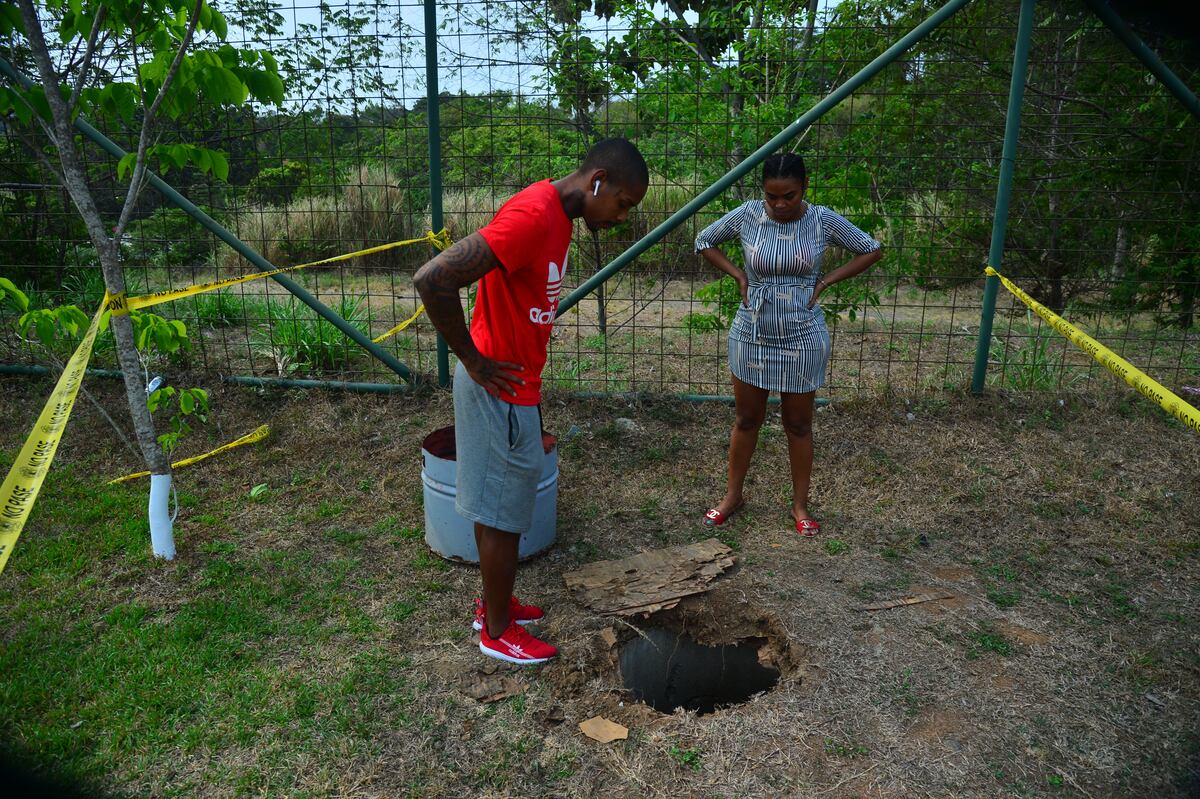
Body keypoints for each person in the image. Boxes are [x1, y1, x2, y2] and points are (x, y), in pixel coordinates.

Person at [414, 139, 649, 664]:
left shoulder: (561, 216)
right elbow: (433, 279)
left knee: (495, 505)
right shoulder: (534, 214)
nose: (621, 217)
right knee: (504, 515)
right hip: (497, 387)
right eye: (623, 203)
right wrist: (474, 360)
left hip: (515, 388)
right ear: (598, 181)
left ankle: (494, 604)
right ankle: (497, 633)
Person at [694, 152, 882, 537]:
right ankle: (732, 496)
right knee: (747, 419)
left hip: (803, 334)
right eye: (772, 197)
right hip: (752, 331)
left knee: (798, 425)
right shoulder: (748, 215)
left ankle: (799, 505)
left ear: (804, 189)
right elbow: (704, 239)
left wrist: (826, 280)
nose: (779, 205)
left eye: (789, 196)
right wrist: (739, 277)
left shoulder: (822, 219)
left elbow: (871, 248)